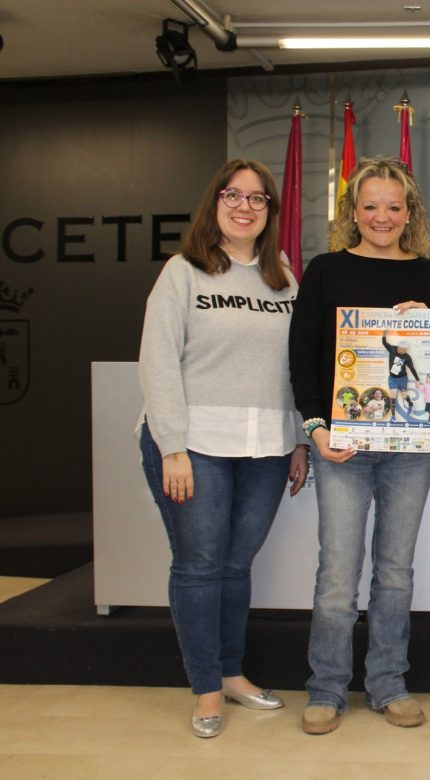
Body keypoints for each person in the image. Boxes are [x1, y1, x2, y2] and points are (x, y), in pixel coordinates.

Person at [289, 156, 430, 735]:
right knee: (338, 574)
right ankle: (327, 688)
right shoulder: (325, 271)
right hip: (342, 445)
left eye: (393, 206)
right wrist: (315, 428)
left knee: (395, 572)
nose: (381, 217)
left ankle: (389, 683)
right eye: (370, 206)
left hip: (411, 445)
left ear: (410, 212)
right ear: (353, 211)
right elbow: (302, 357)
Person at [137, 159, 308, 738]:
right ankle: (206, 687)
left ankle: (232, 673)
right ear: (215, 203)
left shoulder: (283, 278)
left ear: (270, 211)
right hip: (195, 446)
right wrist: (171, 446)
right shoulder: (183, 272)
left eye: (257, 199)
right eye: (233, 195)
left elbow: (296, 365)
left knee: (236, 566)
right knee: (200, 566)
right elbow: (158, 361)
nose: (244, 207)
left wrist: (299, 438)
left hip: (266, 447)